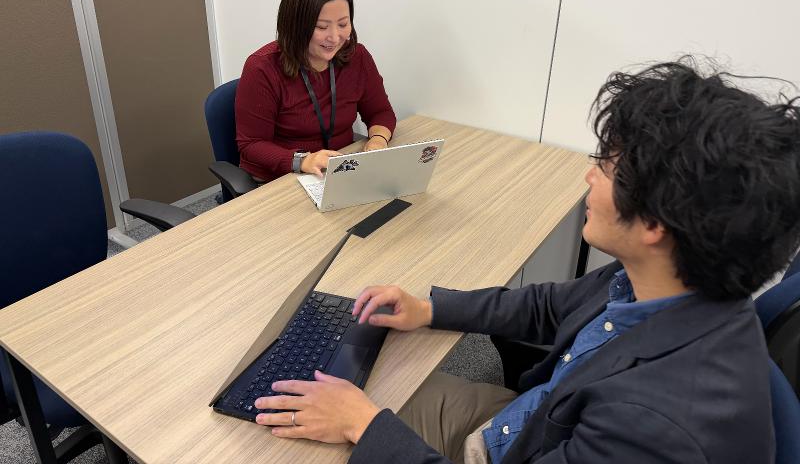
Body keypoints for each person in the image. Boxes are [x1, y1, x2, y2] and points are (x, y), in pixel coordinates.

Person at [251, 59, 800, 463]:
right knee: (345, 388)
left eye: (606, 168)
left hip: (522, 443)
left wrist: (365, 427)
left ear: (657, 223)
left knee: (280, 440)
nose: (588, 175)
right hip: (529, 424)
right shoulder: (668, 279)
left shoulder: (654, 427)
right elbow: (545, 307)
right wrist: (428, 310)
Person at [235, 0, 396, 183]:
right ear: (296, 24)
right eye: (321, 27)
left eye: (343, 24)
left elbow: (380, 112)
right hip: (280, 179)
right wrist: (302, 160)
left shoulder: (357, 57)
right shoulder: (262, 68)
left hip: (337, 172)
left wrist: (378, 140)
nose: (335, 37)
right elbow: (251, 144)